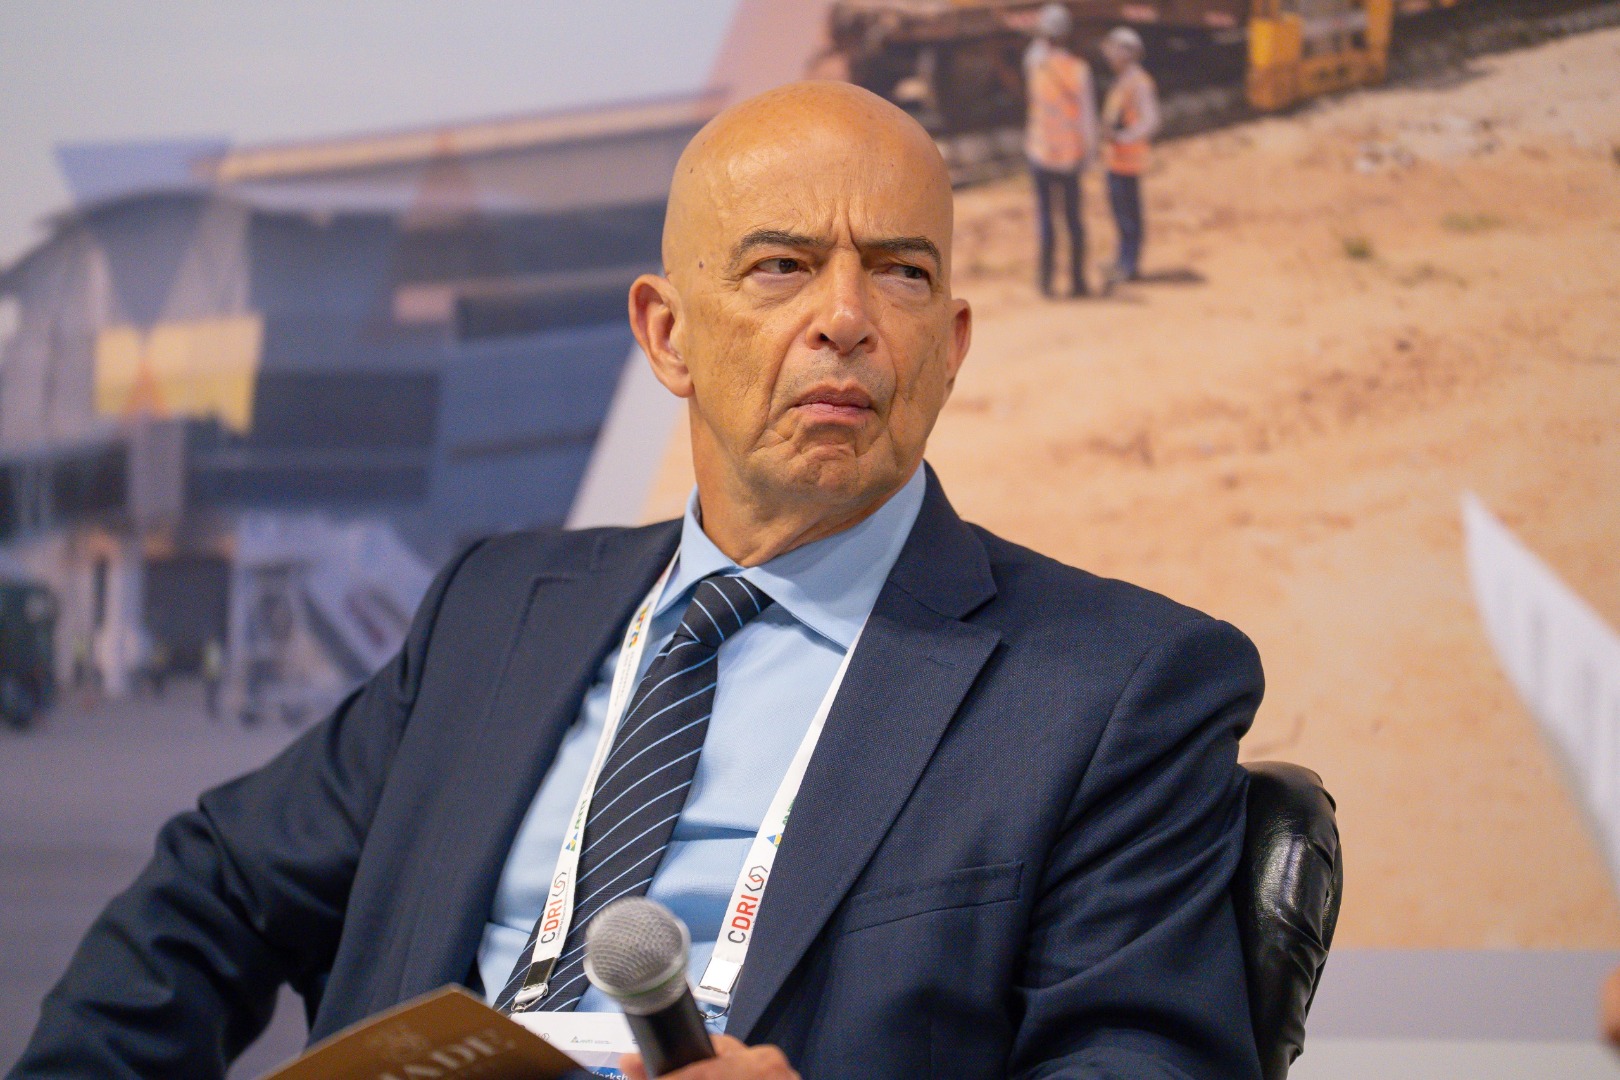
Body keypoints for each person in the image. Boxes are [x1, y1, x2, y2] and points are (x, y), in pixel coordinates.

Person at [10, 82, 1263, 1080]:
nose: (847, 317)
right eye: (781, 266)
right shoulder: (498, 609)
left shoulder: (1113, 688)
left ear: (950, 347)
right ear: (667, 334)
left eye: (902, 272)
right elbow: (215, 891)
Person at [1022, 3, 1098, 298]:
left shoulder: (1035, 64)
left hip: (1040, 152)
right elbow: (1087, 120)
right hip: (1070, 157)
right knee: (1074, 220)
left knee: (1046, 220)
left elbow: (1036, 48)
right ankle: (1078, 282)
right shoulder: (1080, 70)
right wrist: (1089, 155)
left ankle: (1046, 283)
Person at [1100, 25, 1160, 288]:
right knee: (1120, 213)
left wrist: (1123, 138)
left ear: (1126, 52)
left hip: (1128, 160)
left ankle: (1129, 265)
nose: (1109, 54)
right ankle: (1122, 261)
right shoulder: (1124, 80)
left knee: (1128, 215)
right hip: (1116, 159)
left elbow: (1151, 121)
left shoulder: (1140, 83)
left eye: (1113, 48)